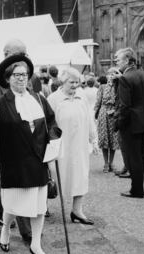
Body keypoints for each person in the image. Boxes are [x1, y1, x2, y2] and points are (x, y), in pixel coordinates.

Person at [0, 54, 59, 254]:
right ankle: (5, 231)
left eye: (25, 75)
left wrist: (53, 147)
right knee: (12, 204)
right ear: (8, 79)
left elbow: (52, 124)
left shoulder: (39, 99)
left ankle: (36, 245)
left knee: (39, 206)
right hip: (14, 163)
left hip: (37, 161)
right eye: (17, 75)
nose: (22, 79)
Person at [0, 38, 39, 241]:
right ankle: (26, 229)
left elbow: (35, 101)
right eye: (19, 54)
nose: (24, 57)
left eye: (25, 54)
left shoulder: (29, 75)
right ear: (5, 54)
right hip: (3, 137)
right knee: (16, 176)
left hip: (26, 136)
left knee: (10, 175)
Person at [48, 67, 96, 225]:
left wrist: (93, 139)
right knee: (55, 177)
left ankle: (77, 210)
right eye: (71, 82)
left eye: (77, 82)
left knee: (80, 176)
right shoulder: (54, 99)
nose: (75, 85)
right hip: (61, 145)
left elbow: (89, 119)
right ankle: (43, 207)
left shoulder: (82, 98)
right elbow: (47, 123)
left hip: (80, 145)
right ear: (63, 81)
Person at [115, 47, 144, 198]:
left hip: (131, 124)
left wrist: (119, 124)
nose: (116, 62)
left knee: (133, 157)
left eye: (118, 60)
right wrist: (143, 115)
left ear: (127, 60)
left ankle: (137, 190)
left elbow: (124, 106)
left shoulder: (125, 78)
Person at [94, 67, 120, 172]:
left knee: (113, 139)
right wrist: (95, 114)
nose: (111, 76)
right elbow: (98, 101)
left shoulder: (119, 86)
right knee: (104, 138)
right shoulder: (102, 87)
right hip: (104, 112)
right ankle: (105, 163)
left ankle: (111, 163)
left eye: (113, 74)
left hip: (114, 112)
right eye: (109, 74)